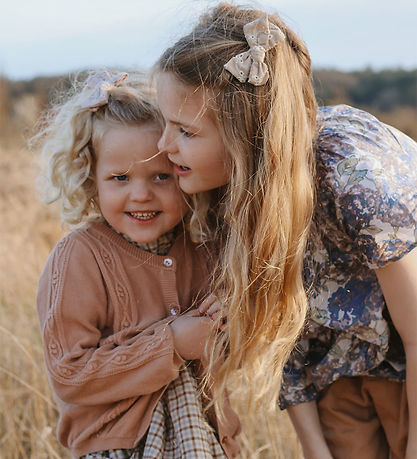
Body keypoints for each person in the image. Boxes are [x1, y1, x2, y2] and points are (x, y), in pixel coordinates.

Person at [154, 3, 417, 458]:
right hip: (336, 377)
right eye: (165, 124)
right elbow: (290, 336)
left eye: (185, 131)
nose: (163, 145)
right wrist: (314, 448)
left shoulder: (353, 178)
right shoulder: (228, 198)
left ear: (245, 133)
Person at [35, 70, 240, 458]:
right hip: (115, 447)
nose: (141, 194)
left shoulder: (205, 248)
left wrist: (227, 323)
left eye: (161, 175)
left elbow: (232, 351)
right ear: (90, 181)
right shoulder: (79, 257)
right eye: (120, 177)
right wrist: (173, 343)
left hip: (205, 440)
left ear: (184, 171)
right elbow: (69, 374)